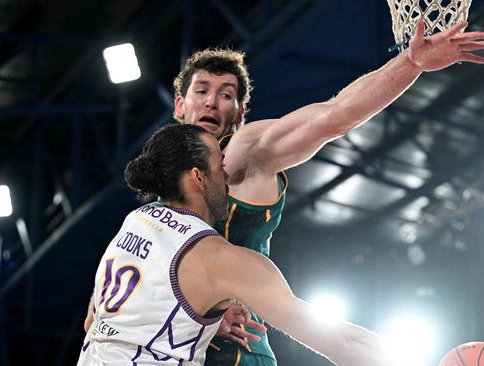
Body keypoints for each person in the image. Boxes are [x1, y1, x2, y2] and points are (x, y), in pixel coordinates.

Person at [85, 19, 484, 365]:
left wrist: (409, 63)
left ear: (241, 113)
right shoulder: (167, 188)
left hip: (235, 351)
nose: (212, 102)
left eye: (226, 94)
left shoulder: (241, 152)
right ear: (179, 104)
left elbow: (332, 117)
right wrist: (193, 305)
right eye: (202, 90)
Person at [77, 124, 393, 366]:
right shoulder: (219, 259)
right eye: (219, 164)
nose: (226, 174)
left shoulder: (135, 221)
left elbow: (92, 320)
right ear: (198, 177)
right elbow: (345, 343)